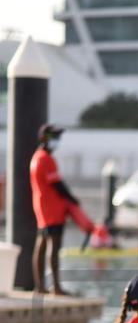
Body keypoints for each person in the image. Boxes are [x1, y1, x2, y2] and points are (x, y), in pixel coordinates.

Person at [30, 124, 81, 295]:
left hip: (42, 208)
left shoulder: (36, 157)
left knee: (42, 244)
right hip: (52, 210)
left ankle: (40, 286)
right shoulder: (46, 159)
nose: (57, 141)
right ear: (44, 138)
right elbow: (57, 185)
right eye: (54, 137)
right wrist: (73, 200)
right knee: (54, 245)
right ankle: (56, 287)